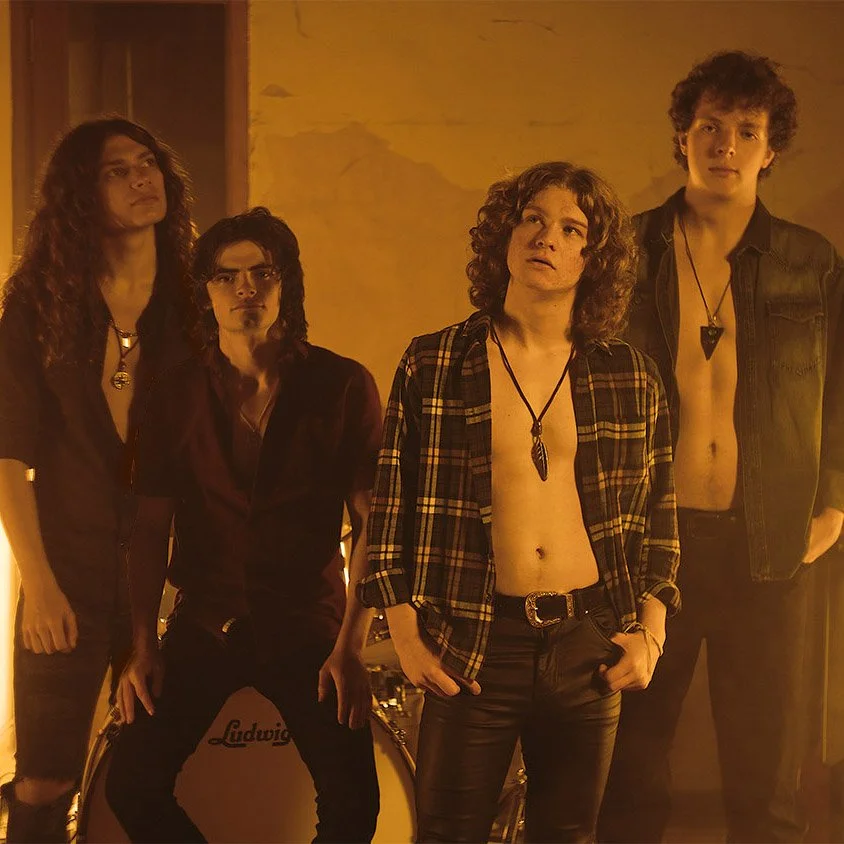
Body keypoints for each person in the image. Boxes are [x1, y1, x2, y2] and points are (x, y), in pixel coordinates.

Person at [359, 161, 680, 842]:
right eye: (532, 219)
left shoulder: (628, 375)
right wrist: (406, 637)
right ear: (503, 236)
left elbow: (659, 517)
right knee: (447, 833)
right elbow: (390, 511)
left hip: (589, 640)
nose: (546, 237)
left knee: (568, 835)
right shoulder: (436, 363)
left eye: (571, 228)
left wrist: (649, 632)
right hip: (474, 640)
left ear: (593, 259)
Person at [598, 50, 844, 844]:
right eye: (710, 126)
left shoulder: (811, 260)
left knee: (767, 776)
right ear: (683, 136)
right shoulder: (627, 250)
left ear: (771, 149)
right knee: (630, 769)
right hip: (650, 541)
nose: (725, 145)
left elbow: (842, 387)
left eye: (746, 130)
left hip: (770, 542)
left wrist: (835, 502)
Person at [104, 207, 382, 843]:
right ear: (206, 291)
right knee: (130, 785)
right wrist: (144, 645)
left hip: (308, 627)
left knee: (354, 806)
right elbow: (149, 529)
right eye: (226, 277)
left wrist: (350, 647)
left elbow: (373, 522)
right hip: (206, 624)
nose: (245, 289)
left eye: (262, 273)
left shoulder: (341, 385)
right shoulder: (173, 394)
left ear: (287, 284)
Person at [0, 117, 194, 843]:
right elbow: (7, 457)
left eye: (148, 163)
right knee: (44, 782)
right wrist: (40, 586)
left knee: (152, 781)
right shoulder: (39, 305)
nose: (142, 178)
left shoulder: (193, 303)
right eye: (118, 170)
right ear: (83, 192)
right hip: (67, 576)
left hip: (167, 578)